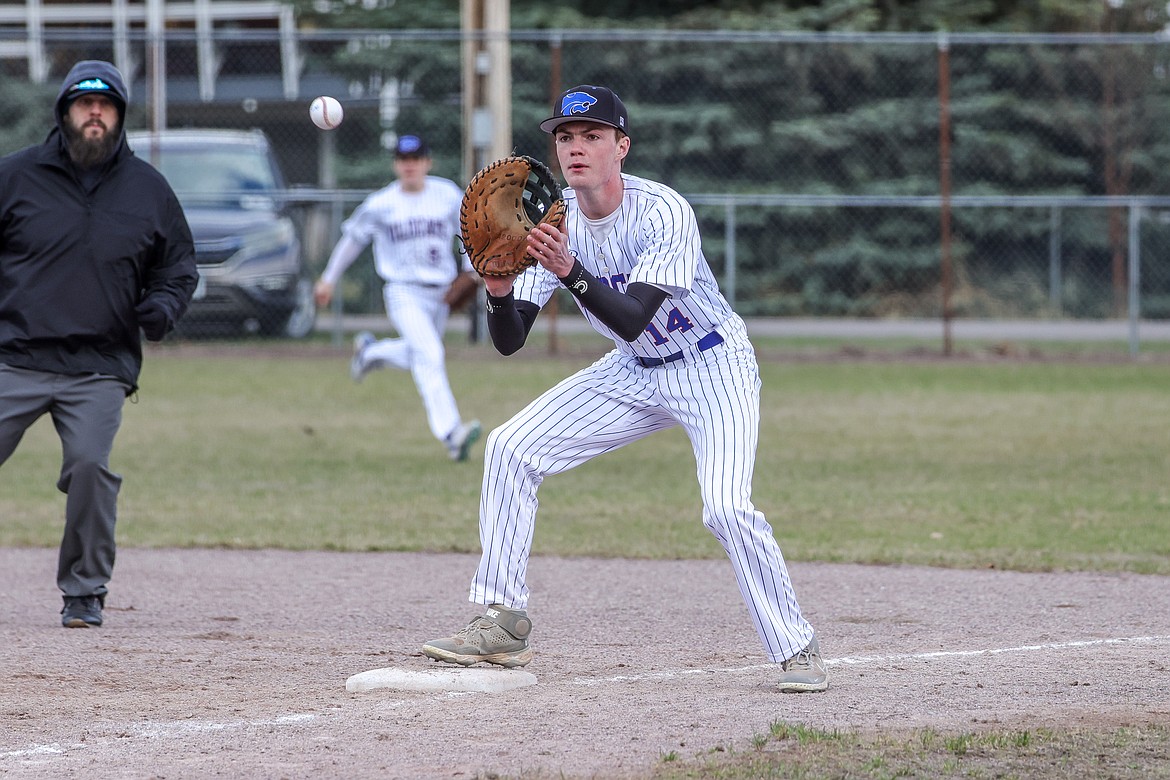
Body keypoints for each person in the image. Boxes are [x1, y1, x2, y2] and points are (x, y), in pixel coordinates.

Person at [421, 85, 827, 692]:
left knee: (726, 508)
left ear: (622, 147)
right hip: (633, 370)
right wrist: (499, 285)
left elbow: (635, 314)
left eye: (592, 136)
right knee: (510, 448)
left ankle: (795, 648)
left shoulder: (663, 210)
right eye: (565, 137)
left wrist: (568, 271)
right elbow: (510, 341)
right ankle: (503, 620)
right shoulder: (550, 220)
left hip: (712, 366)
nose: (576, 148)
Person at [0, 60, 198, 628]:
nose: (94, 112)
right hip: (16, 356)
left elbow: (178, 268)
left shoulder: (147, 189)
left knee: (89, 465)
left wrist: (162, 307)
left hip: (99, 365)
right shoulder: (16, 177)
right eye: (83, 103)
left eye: (106, 104)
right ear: (64, 112)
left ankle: (84, 591)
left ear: (119, 116)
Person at [314, 134, 482, 462]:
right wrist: (328, 278)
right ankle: (451, 433)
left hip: (442, 292)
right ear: (396, 164)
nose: (410, 165)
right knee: (430, 353)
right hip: (403, 290)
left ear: (427, 162)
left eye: (416, 158)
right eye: (403, 159)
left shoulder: (447, 194)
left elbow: (468, 231)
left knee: (420, 354)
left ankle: (370, 353)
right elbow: (352, 241)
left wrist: (470, 270)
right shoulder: (382, 204)